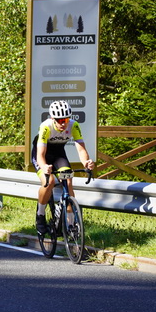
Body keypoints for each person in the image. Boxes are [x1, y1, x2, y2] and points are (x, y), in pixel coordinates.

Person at [32, 100, 94, 234]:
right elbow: (40, 154)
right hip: (42, 155)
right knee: (49, 182)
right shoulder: (46, 127)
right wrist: (44, 167)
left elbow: (81, 149)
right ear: (52, 119)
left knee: (68, 181)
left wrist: (86, 162)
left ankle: (71, 224)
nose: (63, 123)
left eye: (65, 120)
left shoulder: (74, 125)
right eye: (59, 120)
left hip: (59, 155)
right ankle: (40, 215)